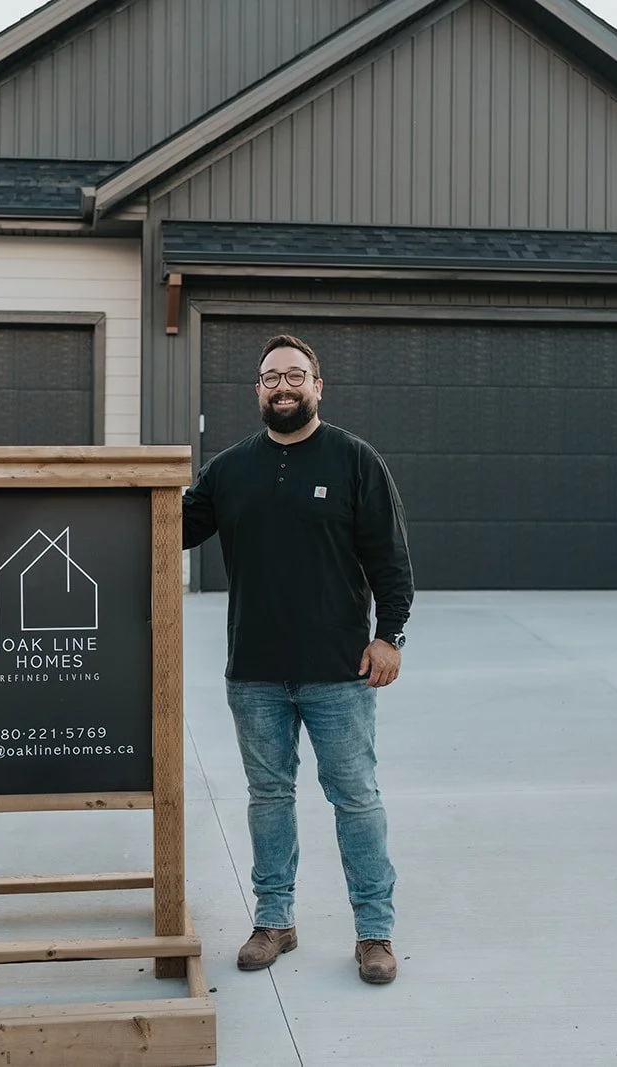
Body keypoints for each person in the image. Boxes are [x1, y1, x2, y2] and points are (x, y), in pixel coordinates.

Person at [183, 334, 414, 985]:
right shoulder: (230, 470)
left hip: (340, 670)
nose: (282, 386)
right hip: (254, 672)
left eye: (294, 375)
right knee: (269, 795)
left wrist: (389, 633)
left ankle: (374, 932)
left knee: (356, 797)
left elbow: (390, 558)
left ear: (318, 385)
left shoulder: (354, 461)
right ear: (258, 390)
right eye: (269, 377)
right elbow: (168, 525)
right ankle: (275, 920)